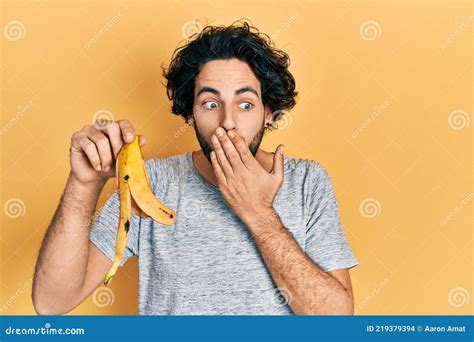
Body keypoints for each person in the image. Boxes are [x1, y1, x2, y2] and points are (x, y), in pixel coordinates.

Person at [32, 20, 358, 315]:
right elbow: (51, 301)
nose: (228, 122)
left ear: (268, 113)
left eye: (245, 104)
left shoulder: (306, 182)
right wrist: (82, 184)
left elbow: (336, 321)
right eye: (210, 104)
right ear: (190, 114)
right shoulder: (151, 184)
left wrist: (259, 214)